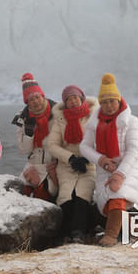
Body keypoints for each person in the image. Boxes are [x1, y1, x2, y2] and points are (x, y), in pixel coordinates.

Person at [80, 73, 138, 247]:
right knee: (109, 200)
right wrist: (101, 160)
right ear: (100, 103)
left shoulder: (131, 121)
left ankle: (110, 235)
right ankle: (136, 232)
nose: (109, 106)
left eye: (112, 101)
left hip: (130, 165)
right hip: (105, 167)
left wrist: (120, 174)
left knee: (117, 193)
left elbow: (134, 150)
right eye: (105, 102)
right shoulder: (94, 123)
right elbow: (84, 147)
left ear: (119, 100)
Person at [47, 85, 98, 243]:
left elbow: (99, 140)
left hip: (89, 164)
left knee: (82, 194)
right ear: (65, 103)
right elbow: (52, 145)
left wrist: (88, 157)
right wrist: (70, 159)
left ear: (81, 98)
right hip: (67, 165)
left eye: (75, 98)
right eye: (69, 99)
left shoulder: (93, 117)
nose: (73, 101)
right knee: (66, 196)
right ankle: (64, 233)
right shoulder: (60, 120)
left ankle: (78, 233)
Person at [12, 72, 58, 202]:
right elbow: (24, 150)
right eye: (31, 99)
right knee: (20, 194)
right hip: (33, 164)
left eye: (37, 97)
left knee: (42, 194)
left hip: (53, 165)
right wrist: (29, 132)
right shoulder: (23, 118)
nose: (35, 101)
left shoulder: (58, 113)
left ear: (42, 96)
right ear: (27, 102)